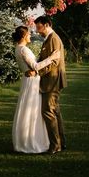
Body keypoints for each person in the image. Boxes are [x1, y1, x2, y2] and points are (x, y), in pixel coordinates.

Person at [11, 25, 55, 153]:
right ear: (24, 36)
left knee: (27, 109)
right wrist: (52, 58)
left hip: (28, 80)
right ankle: (31, 141)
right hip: (32, 82)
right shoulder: (24, 49)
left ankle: (25, 139)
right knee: (32, 110)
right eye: (29, 34)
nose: (30, 36)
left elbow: (29, 67)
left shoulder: (17, 49)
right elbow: (35, 66)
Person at [30, 15, 67, 154]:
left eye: (38, 27)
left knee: (48, 112)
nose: (37, 30)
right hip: (52, 81)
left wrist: (37, 71)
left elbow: (54, 62)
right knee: (55, 112)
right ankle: (60, 143)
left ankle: (55, 145)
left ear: (46, 25)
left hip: (52, 81)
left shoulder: (53, 39)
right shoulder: (49, 38)